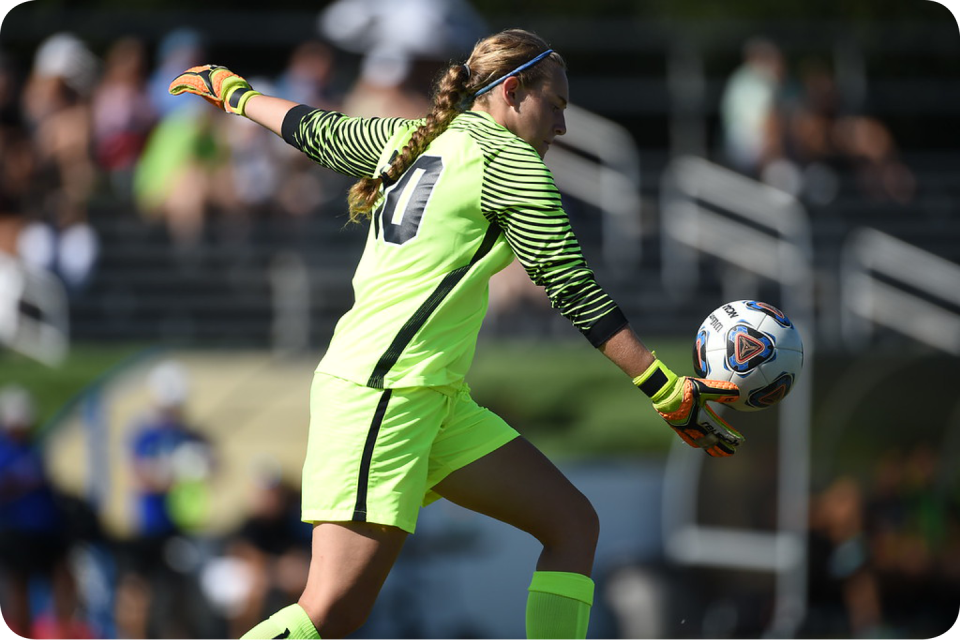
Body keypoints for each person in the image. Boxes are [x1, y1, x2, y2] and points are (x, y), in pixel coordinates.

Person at [168, 28, 743, 639]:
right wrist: (662, 387)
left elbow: (313, 128)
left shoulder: (413, 138)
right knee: (330, 610)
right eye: (557, 106)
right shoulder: (511, 163)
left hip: (430, 396)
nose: (563, 127)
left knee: (572, 523)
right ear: (513, 90)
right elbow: (575, 291)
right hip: (384, 394)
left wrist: (235, 94)